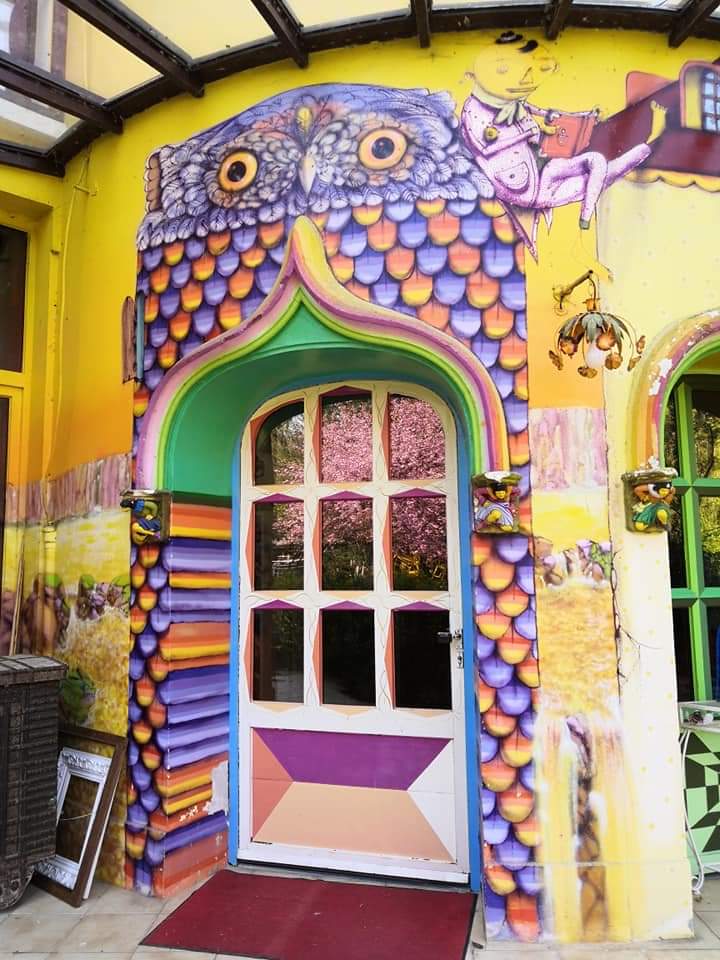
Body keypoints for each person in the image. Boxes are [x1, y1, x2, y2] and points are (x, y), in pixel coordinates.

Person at [461, 31, 667, 275]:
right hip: (532, 191)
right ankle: (652, 141)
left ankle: (583, 225)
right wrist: (533, 129)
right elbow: (487, 145)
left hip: (542, 174)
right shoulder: (473, 110)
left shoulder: (513, 104)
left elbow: (544, 113)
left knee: (598, 163)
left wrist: (585, 116)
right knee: (606, 174)